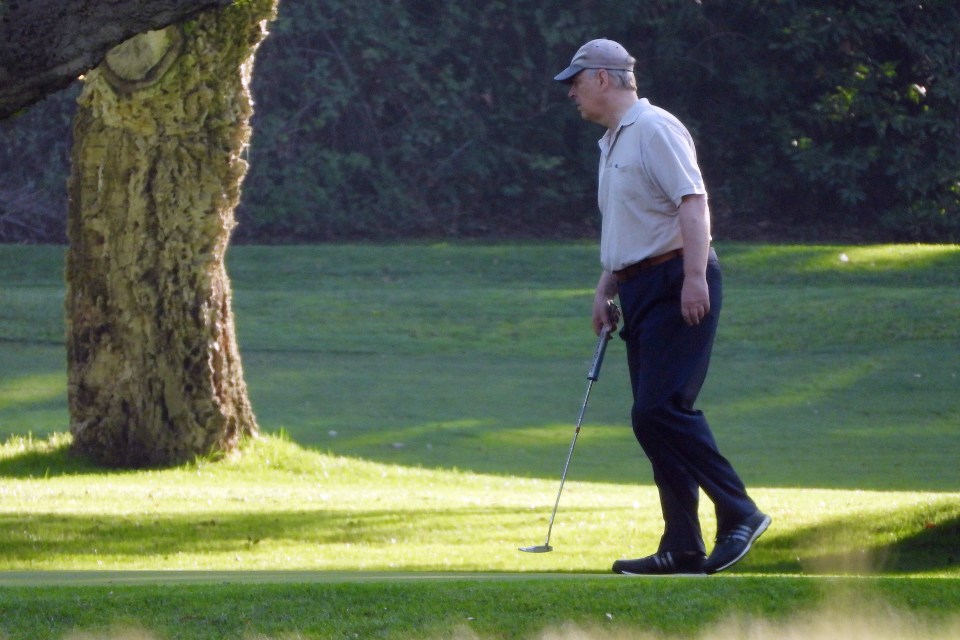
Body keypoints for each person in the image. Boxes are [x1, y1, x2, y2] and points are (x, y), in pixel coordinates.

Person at [554, 38, 770, 575]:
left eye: (575, 82)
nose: (572, 94)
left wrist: (694, 278)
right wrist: (606, 287)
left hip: (679, 279)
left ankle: (740, 511)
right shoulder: (611, 142)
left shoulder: (654, 128)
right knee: (650, 420)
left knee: (660, 409)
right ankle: (681, 546)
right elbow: (629, 226)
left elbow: (691, 202)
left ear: (603, 78)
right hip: (640, 287)